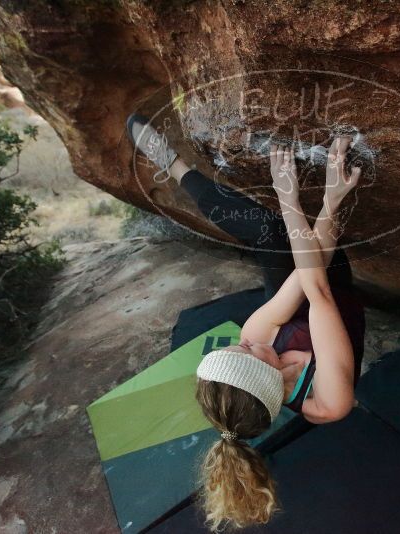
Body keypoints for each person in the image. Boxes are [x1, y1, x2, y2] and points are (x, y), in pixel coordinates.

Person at [126, 114, 366, 531]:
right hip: (331, 292)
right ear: (266, 376)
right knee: (287, 232)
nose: (242, 339)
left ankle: (176, 168)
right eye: (245, 351)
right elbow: (320, 287)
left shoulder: (257, 337)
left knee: (267, 230)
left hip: (303, 291)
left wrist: (310, 201)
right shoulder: (329, 401)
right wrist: (314, 199)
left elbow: (305, 276)